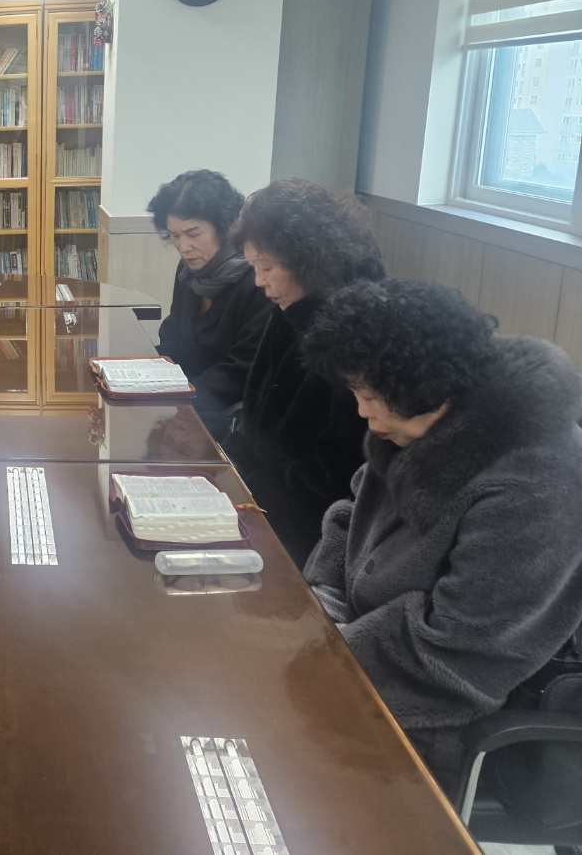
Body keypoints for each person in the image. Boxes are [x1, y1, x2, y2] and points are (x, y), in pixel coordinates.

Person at [300, 279, 582, 788]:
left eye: (370, 395)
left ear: (420, 384)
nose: (362, 411)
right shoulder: (420, 420)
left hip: (444, 711)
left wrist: (328, 658)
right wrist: (323, 604)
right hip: (368, 654)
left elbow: (466, 649)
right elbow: (351, 514)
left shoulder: (538, 482)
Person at [222, 178, 385, 566]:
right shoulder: (296, 299)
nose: (259, 281)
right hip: (261, 494)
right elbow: (257, 409)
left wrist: (251, 496)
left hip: (309, 526)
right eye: (254, 268)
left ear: (307, 258)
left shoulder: (360, 322)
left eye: (267, 267)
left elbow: (338, 470)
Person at [146, 169, 272, 439]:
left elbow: (243, 369)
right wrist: (145, 372)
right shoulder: (189, 270)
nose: (183, 247)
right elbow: (174, 333)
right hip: (187, 405)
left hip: (228, 418)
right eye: (174, 235)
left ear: (224, 227)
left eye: (193, 233)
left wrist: (183, 396)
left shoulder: (258, 281)